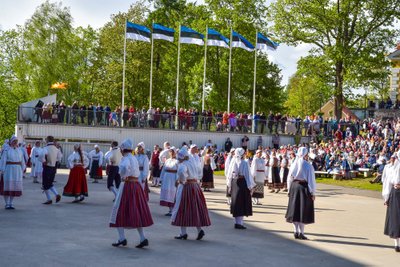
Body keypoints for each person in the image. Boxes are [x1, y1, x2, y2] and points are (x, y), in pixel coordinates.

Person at [109, 139, 153, 248]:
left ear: (123, 149)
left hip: (128, 184)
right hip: (136, 185)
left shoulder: (126, 158)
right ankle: (142, 238)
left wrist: (123, 174)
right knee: (136, 210)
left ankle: (121, 238)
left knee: (119, 210)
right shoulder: (133, 158)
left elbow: (124, 168)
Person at [171, 147, 211, 240]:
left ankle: (183, 233)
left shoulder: (183, 164)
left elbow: (181, 173)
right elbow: (199, 172)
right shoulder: (192, 162)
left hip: (187, 187)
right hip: (195, 186)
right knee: (195, 208)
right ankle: (199, 230)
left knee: (183, 208)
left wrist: (180, 181)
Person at [285, 147, 316, 240]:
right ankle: (301, 232)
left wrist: (289, 189)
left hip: (294, 186)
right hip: (303, 187)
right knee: (303, 209)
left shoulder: (294, 164)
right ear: (306, 155)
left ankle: (296, 231)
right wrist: (313, 192)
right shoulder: (308, 166)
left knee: (295, 209)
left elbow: (289, 178)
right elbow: (311, 180)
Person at [227, 148, 255, 229]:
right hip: (242, 183)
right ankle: (240, 223)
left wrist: (229, 185)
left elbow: (229, 174)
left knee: (236, 202)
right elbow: (247, 175)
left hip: (235, 183)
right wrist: (250, 186)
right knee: (241, 203)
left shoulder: (233, 161)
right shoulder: (244, 163)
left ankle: (237, 222)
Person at [0, 136, 25, 209]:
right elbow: (3, 160)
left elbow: (22, 160)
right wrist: (2, 170)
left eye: (16, 141)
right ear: (11, 142)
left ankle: (11, 203)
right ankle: (7, 203)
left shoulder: (19, 150)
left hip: (17, 170)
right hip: (9, 170)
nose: (15, 143)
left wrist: (23, 168)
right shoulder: (6, 150)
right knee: (7, 186)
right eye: (14, 141)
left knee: (14, 187)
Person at [382, 151, 400, 252]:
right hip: (396, 192)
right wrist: (386, 197)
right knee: (395, 218)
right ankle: (397, 244)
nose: (394, 159)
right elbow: (387, 182)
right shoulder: (391, 167)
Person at [42, 136, 62, 205]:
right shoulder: (56, 149)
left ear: (47, 140)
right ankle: (55, 195)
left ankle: (49, 199)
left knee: (45, 184)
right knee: (50, 183)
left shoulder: (45, 148)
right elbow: (59, 158)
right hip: (53, 167)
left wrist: (44, 161)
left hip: (47, 167)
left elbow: (41, 156)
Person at [159, 147, 179, 216]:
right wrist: (161, 179)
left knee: (173, 194)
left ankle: (173, 210)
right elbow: (163, 170)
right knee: (167, 194)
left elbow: (178, 171)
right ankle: (170, 210)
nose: (171, 153)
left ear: (175, 153)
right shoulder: (167, 161)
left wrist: (177, 180)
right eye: (170, 152)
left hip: (173, 179)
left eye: (172, 152)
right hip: (166, 179)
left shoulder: (177, 161)